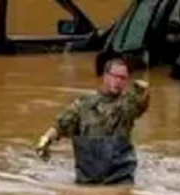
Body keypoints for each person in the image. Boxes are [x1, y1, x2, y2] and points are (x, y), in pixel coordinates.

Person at [35, 58, 151, 186]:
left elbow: (139, 104)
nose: (119, 81)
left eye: (123, 78)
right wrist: (45, 139)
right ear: (105, 76)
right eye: (116, 76)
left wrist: (142, 90)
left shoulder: (126, 105)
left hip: (120, 177)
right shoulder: (84, 105)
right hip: (87, 177)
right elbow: (61, 125)